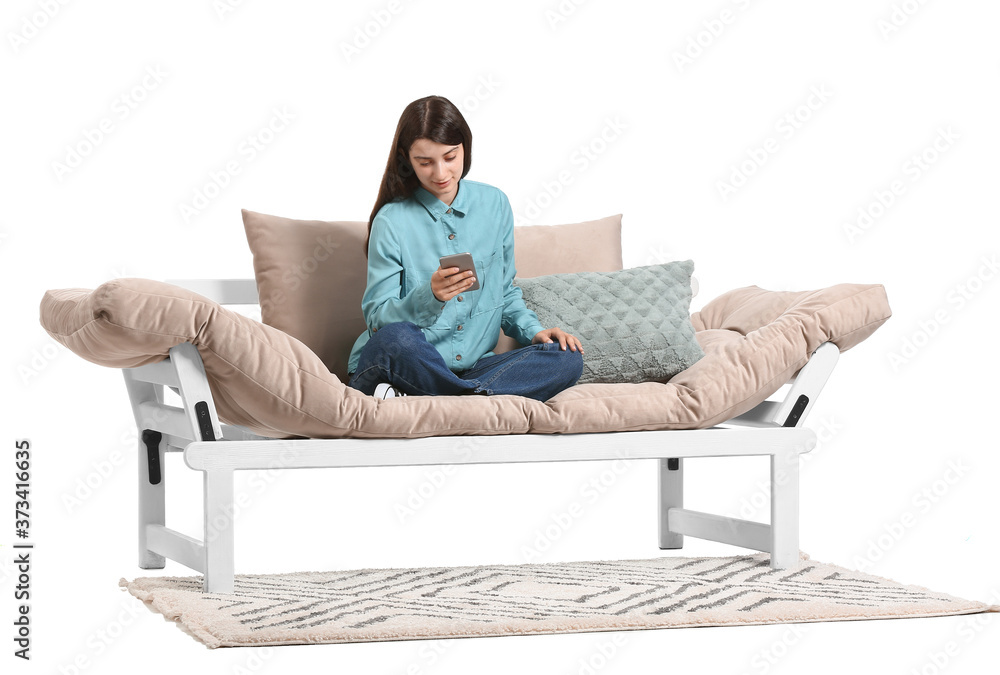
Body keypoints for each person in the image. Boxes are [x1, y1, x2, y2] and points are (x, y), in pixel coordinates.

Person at [346, 95, 584, 401]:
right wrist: (429, 297)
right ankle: (467, 399)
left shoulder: (494, 204)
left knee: (566, 358)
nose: (441, 173)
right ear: (407, 159)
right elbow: (378, 320)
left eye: (450, 157)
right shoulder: (391, 221)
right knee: (397, 339)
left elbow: (504, 292)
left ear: (465, 149)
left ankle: (435, 398)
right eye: (425, 162)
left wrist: (534, 331)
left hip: (475, 369)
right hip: (408, 362)